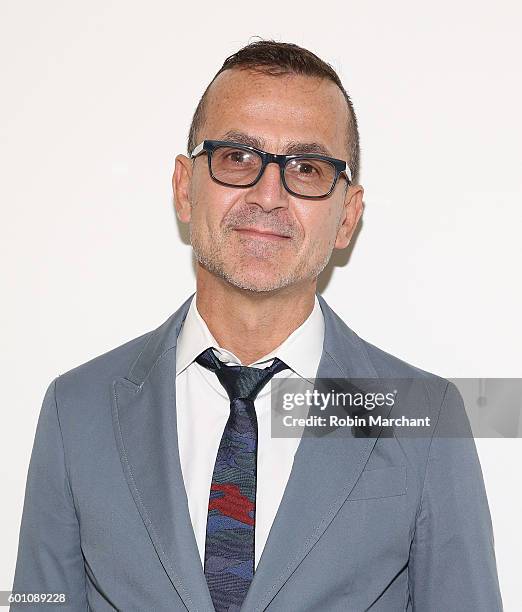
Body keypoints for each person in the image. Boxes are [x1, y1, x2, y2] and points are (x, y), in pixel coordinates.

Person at [11, 40, 503, 611]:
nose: (268, 195)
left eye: (307, 168)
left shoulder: (426, 418)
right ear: (183, 188)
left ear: (347, 216)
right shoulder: (77, 411)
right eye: (237, 157)